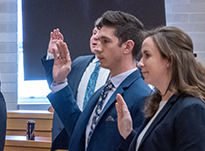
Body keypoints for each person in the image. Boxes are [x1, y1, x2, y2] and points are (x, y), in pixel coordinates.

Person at [47, 10, 151, 151]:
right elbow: (80, 132)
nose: (98, 48)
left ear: (127, 47)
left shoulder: (142, 96)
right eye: (98, 39)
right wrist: (60, 82)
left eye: (106, 41)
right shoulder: (103, 90)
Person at [116, 26, 205, 151]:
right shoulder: (159, 103)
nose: (140, 63)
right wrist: (128, 133)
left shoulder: (190, 108)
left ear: (169, 60)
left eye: (147, 55)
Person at [41, 18, 110, 151]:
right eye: (94, 33)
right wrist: (52, 54)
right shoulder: (79, 63)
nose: (95, 38)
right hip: (69, 134)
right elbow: (58, 87)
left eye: (100, 35)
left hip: (100, 137)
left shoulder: (119, 69)